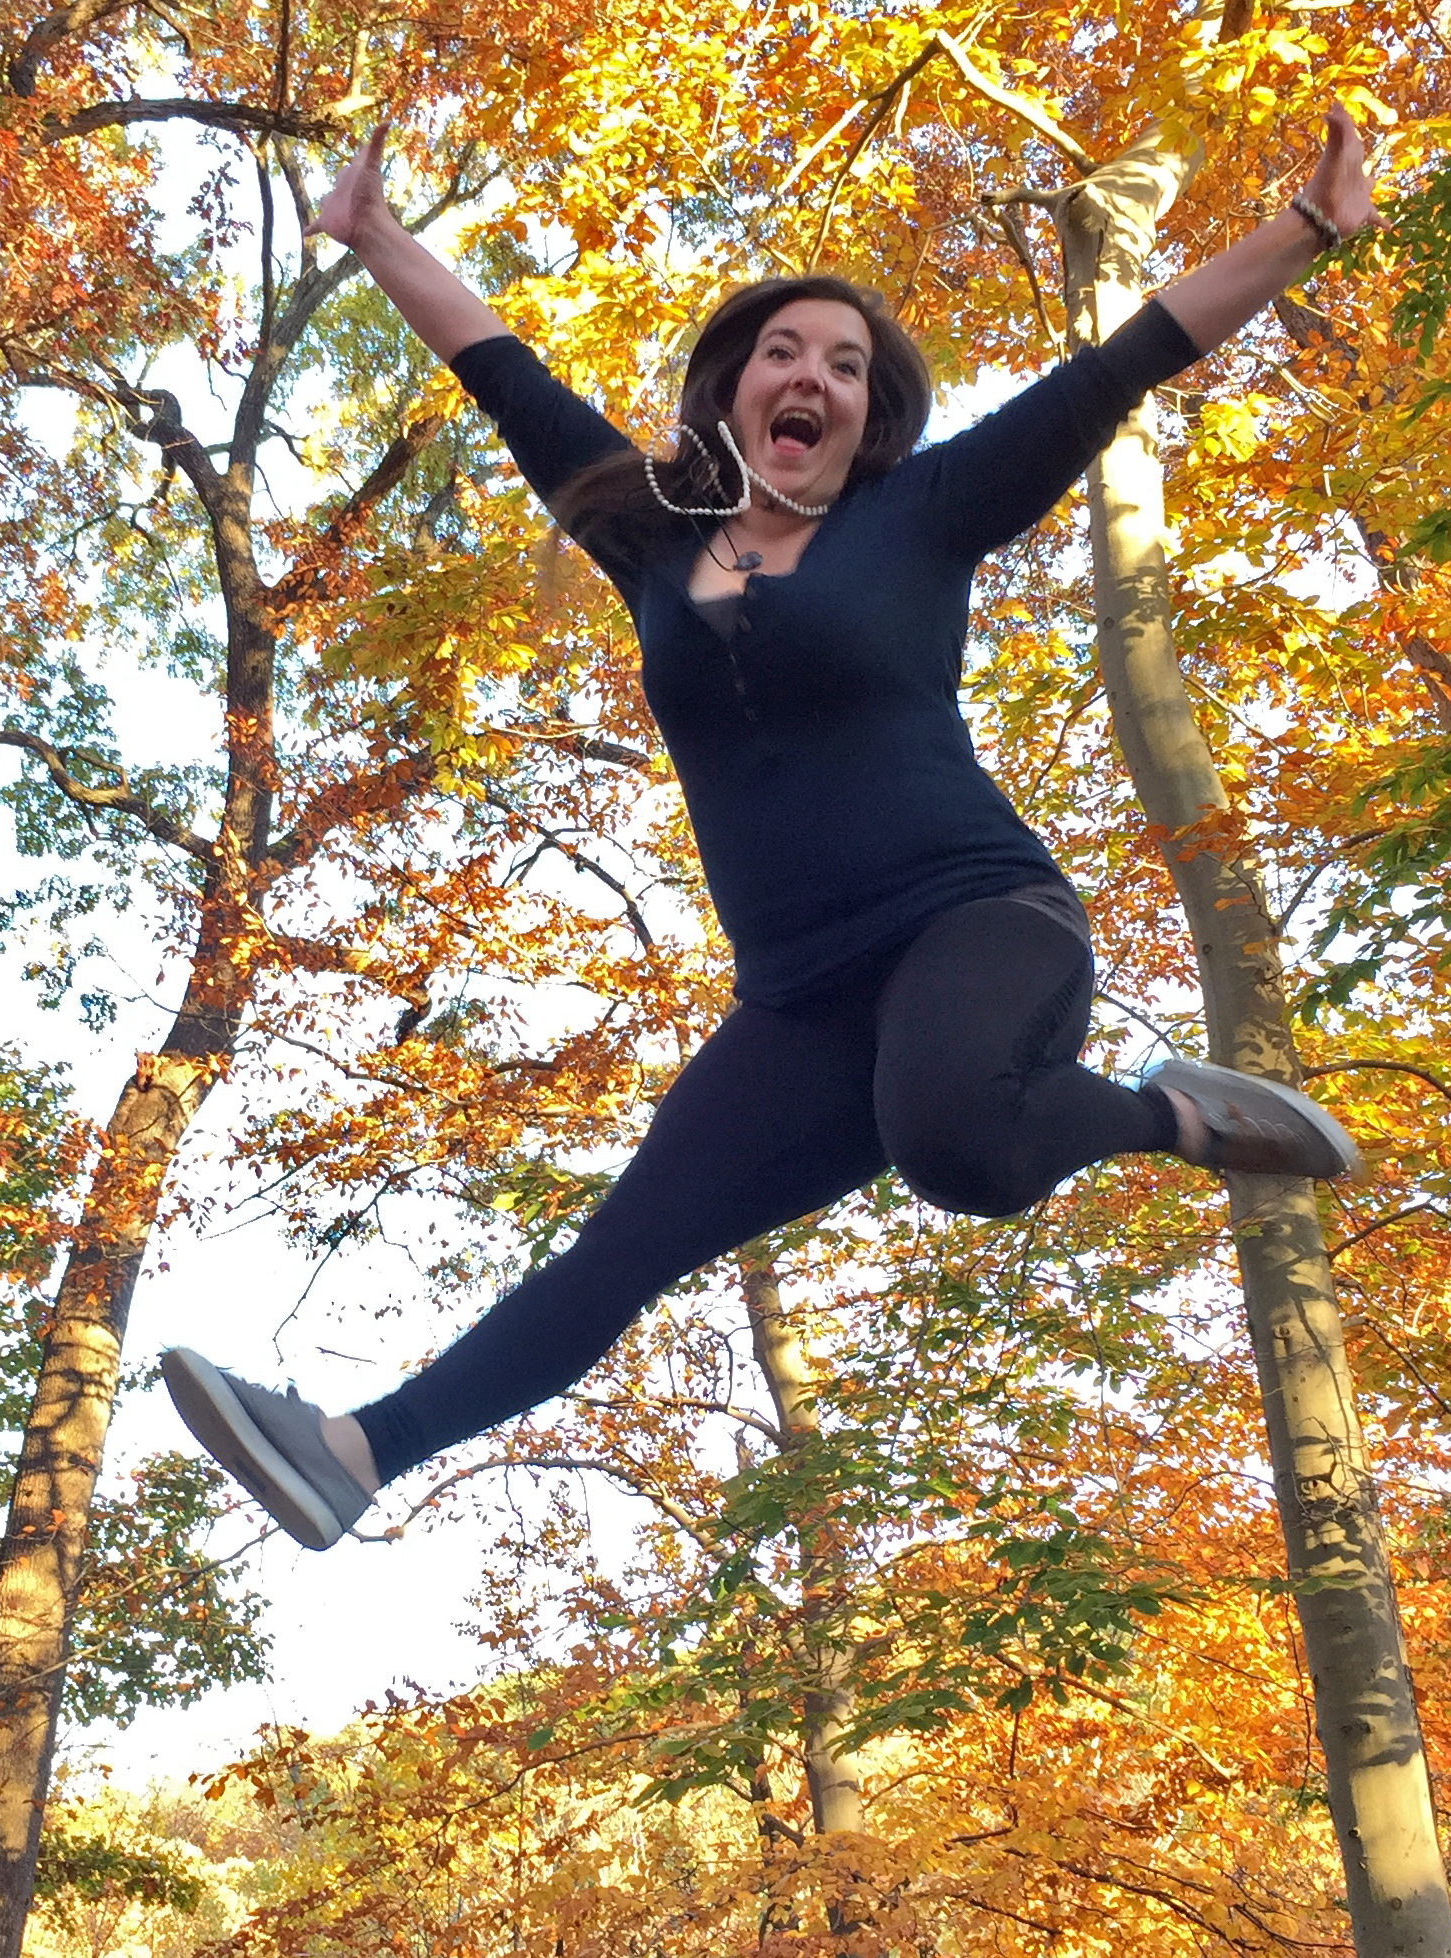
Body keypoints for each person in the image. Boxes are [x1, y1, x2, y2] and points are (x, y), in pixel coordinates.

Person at [165, 108, 1381, 1552]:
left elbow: (1130, 356)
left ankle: (1175, 1114)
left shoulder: (929, 511)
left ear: (875, 415)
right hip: (801, 996)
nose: (815, 377)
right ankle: (356, 1450)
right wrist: (369, 235)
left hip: (979, 920)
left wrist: (1305, 228)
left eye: (850, 366)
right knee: (631, 1241)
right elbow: (498, 367)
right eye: (788, 352)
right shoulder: (649, 534)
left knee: (956, 1147)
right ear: (736, 387)